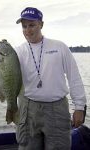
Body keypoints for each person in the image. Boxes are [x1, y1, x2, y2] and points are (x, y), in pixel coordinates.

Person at [15, 7, 87, 150]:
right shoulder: (18, 52)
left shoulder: (59, 47)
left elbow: (74, 77)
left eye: (32, 25)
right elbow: (8, 77)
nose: (28, 30)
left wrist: (79, 107)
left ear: (41, 24)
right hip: (28, 109)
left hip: (57, 108)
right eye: (24, 26)